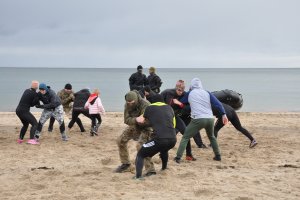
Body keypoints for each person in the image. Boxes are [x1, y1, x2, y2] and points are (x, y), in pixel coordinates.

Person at [174, 78, 228, 163]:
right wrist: (224, 115)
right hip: (210, 119)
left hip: (198, 119)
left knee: (185, 137)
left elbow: (181, 102)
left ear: (191, 85)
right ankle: (218, 156)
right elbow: (218, 104)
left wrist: (176, 101)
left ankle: (178, 157)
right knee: (212, 137)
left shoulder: (190, 93)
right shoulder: (207, 92)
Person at [134, 94, 176, 179]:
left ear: (152, 101)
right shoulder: (169, 108)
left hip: (160, 139)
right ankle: (164, 168)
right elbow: (174, 124)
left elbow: (142, 121)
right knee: (164, 149)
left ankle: (138, 177)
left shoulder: (149, 107)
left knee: (141, 154)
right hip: (173, 139)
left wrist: (136, 120)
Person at [114, 90, 156, 176]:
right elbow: (126, 120)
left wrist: (141, 120)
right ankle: (126, 164)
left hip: (147, 127)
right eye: (128, 102)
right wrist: (136, 119)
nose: (130, 104)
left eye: (132, 102)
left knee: (141, 146)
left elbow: (148, 120)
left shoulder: (145, 104)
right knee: (120, 140)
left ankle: (150, 170)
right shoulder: (127, 105)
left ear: (136, 100)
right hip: (134, 125)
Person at [160, 80, 197, 161]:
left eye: (182, 90)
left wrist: (179, 104)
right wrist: (175, 103)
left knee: (186, 133)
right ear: (176, 88)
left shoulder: (184, 94)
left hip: (174, 116)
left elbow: (187, 106)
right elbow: (167, 108)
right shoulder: (170, 93)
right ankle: (162, 153)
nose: (181, 92)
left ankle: (189, 155)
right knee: (167, 136)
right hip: (165, 116)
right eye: (179, 90)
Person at [15, 80, 40, 144]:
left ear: (31, 85)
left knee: (25, 125)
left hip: (18, 110)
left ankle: (20, 139)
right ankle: (31, 140)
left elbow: (29, 101)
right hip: (24, 111)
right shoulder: (35, 94)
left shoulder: (26, 90)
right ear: (37, 87)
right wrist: (38, 98)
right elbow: (33, 104)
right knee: (35, 124)